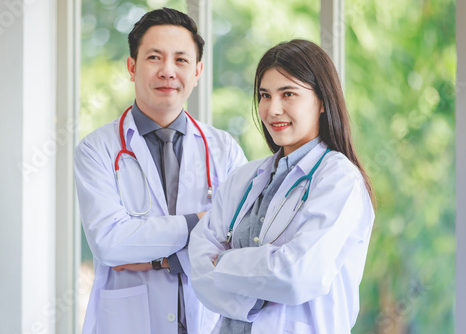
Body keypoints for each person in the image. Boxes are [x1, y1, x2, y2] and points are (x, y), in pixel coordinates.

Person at [74, 8, 247, 334]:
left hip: (207, 320)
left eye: (181, 60)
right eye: (155, 57)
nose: (168, 71)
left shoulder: (224, 150)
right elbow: (110, 243)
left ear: (197, 72)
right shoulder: (97, 150)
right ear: (132, 67)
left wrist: (165, 261)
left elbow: (239, 245)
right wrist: (200, 222)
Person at [188, 39, 376, 333]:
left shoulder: (340, 179)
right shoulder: (243, 178)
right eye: (265, 95)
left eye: (288, 94)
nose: (273, 109)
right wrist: (260, 285)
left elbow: (297, 275)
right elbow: (198, 270)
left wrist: (221, 263)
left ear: (323, 101)